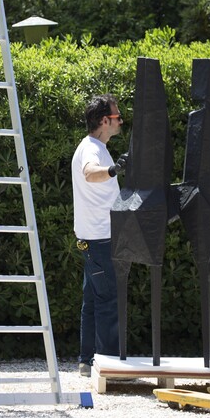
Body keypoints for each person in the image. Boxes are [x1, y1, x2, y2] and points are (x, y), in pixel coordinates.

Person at [71, 94, 128, 377]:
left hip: (95, 239)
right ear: (104, 121)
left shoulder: (96, 146)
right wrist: (113, 169)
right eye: (117, 117)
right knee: (108, 302)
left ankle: (87, 362)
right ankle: (108, 367)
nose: (121, 121)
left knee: (93, 301)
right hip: (100, 240)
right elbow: (90, 173)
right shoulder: (92, 150)